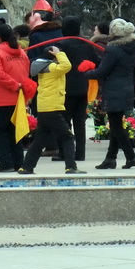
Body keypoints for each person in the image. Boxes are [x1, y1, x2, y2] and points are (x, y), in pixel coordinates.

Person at [18, 46, 83, 174]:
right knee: (68, 137)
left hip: (44, 107)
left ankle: (26, 166)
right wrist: (60, 53)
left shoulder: (42, 67)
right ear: (53, 56)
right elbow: (67, 66)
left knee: (40, 139)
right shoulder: (52, 68)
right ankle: (71, 166)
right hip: (52, 108)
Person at [86, 18, 135, 170]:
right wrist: (129, 85)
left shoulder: (112, 49)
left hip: (114, 90)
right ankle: (110, 158)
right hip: (127, 89)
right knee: (116, 124)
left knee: (116, 127)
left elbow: (102, 71)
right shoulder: (133, 47)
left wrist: (86, 73)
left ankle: (131, 157)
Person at [0, 24, 34, 172]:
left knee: (0, 132)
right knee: (16, 131)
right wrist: (20, 87)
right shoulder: (21, 53)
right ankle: (18, 162)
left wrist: (14, 85)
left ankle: (6, 164)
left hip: (2, 99)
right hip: (19, 99)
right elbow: (27, 72)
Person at [55, 15, 101, 163]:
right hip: (83, 87)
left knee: (64, 122)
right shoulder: (86, 44)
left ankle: (64, 152)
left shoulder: (61, 45)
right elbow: (98, 61)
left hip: (65, 88)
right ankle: (80, 153)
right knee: (79, 123)